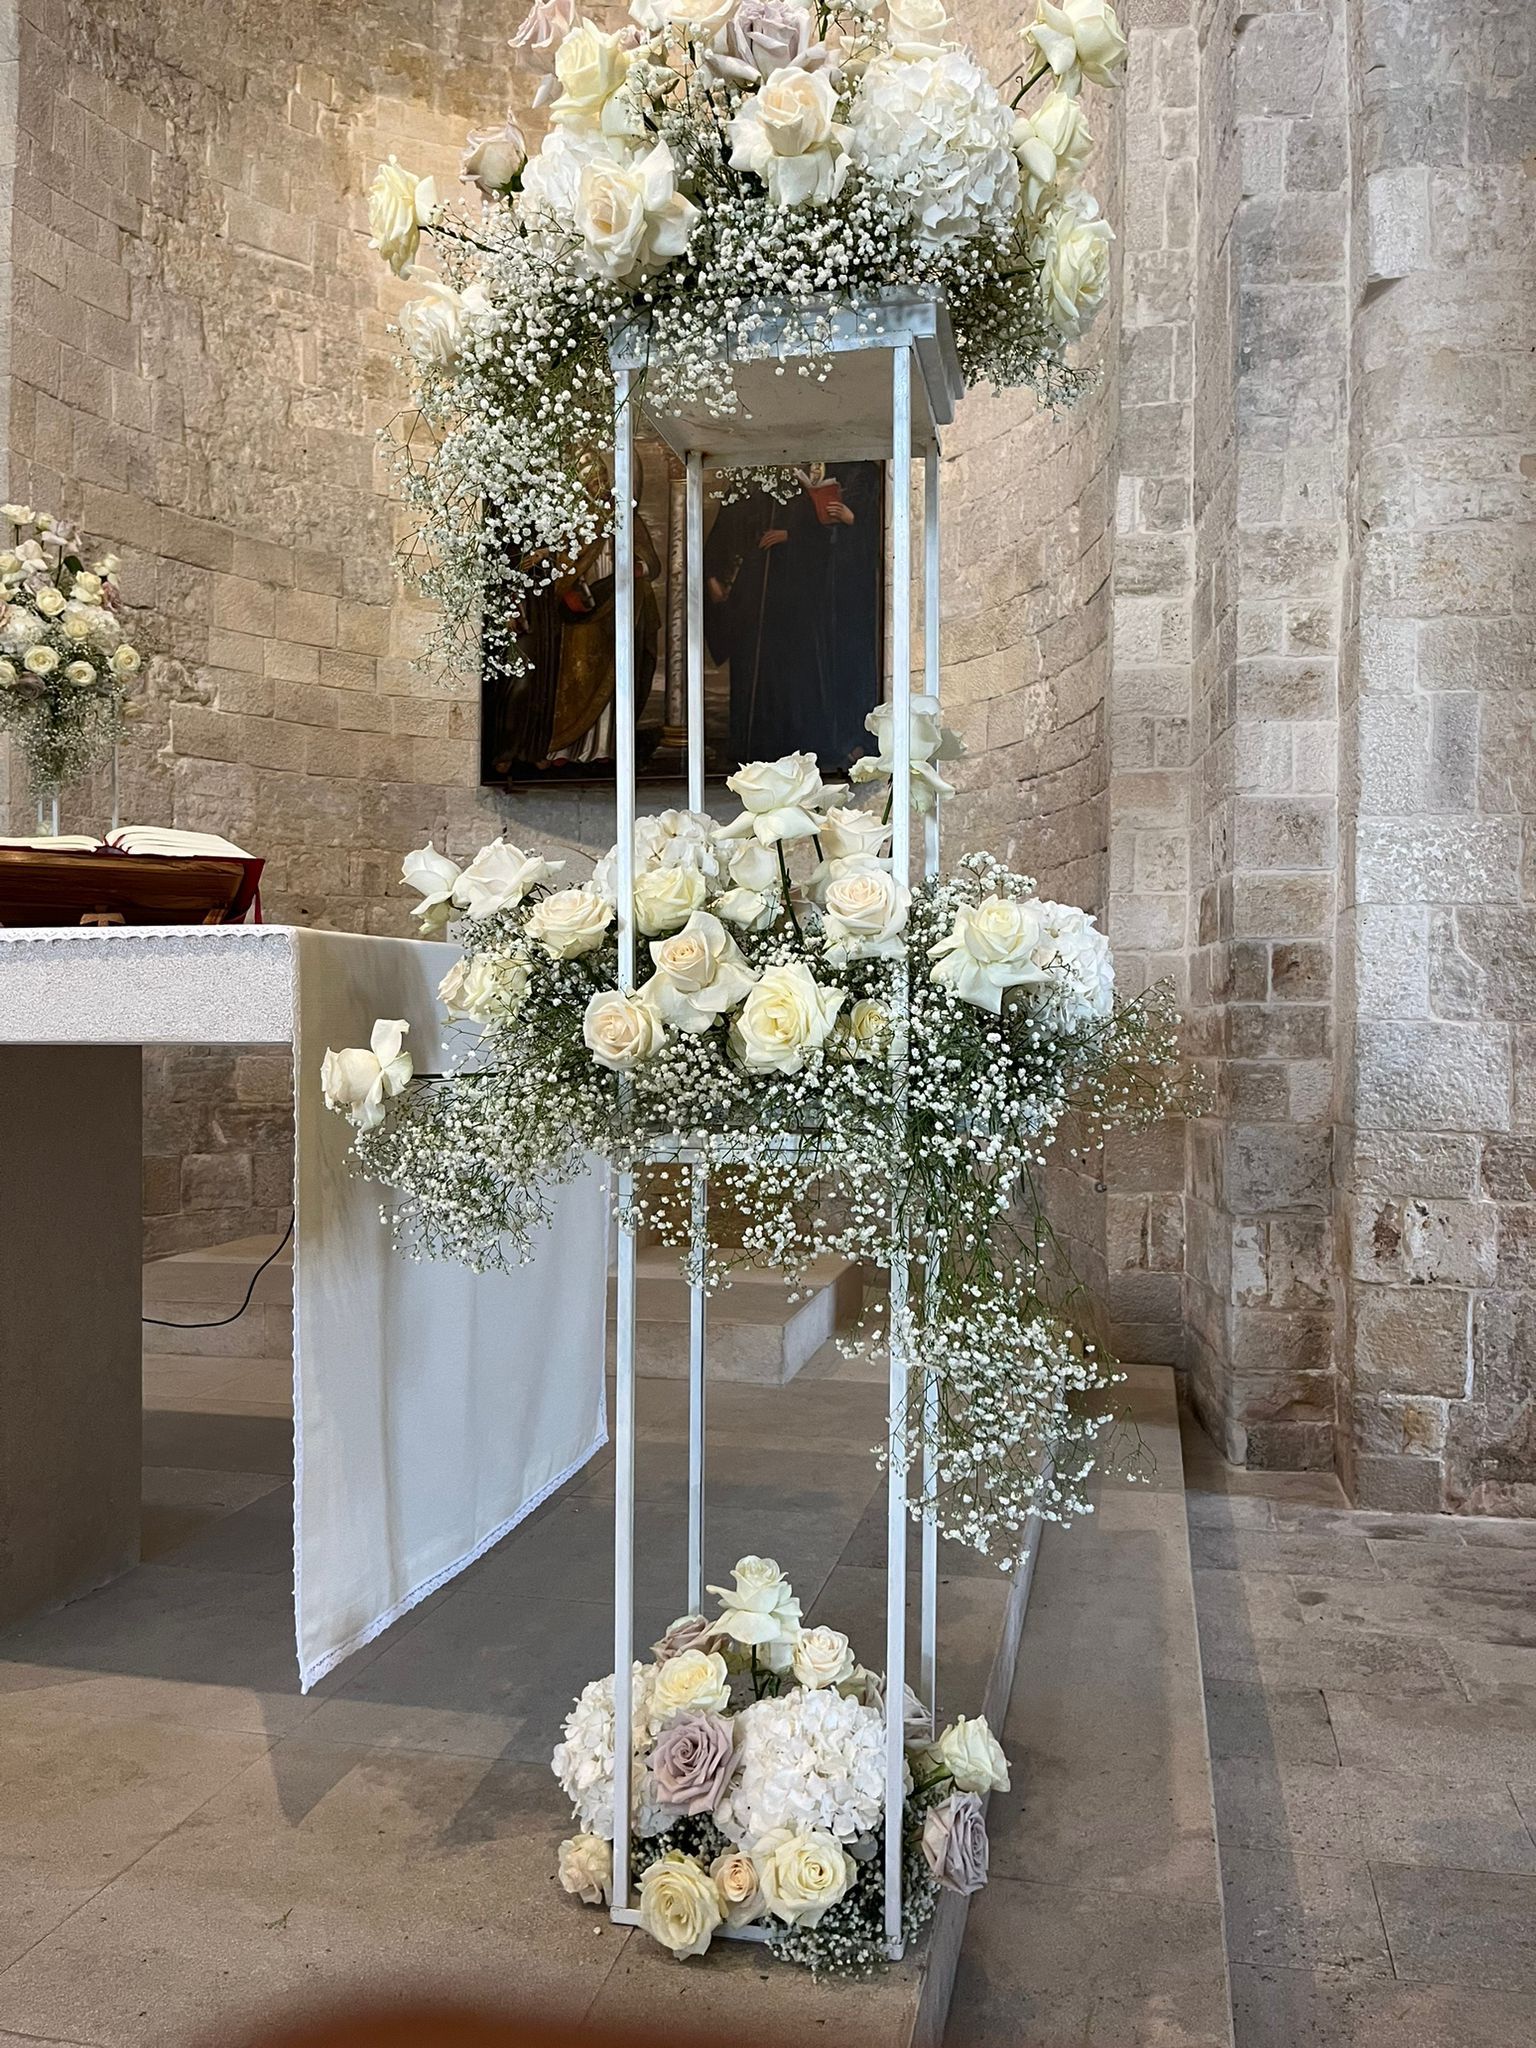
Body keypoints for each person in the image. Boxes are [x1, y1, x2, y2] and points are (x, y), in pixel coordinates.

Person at [703, 462, 881, 772]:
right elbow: (728, 529)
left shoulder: (846, 475)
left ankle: (800, 744)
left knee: (795, 670)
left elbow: (834, 542)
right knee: (754, 666)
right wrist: (713, 574)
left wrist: (791, 534)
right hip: (756, 592)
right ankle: (751, 746)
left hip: (798, 597)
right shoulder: (755, 479)